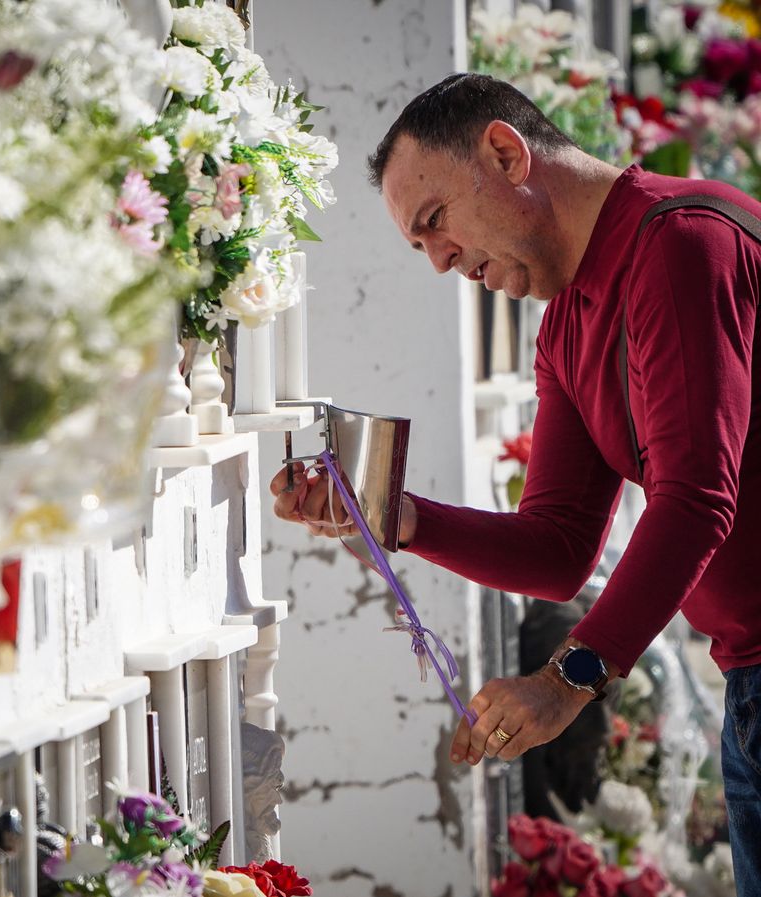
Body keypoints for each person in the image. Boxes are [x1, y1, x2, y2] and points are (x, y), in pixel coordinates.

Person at [268, 73, 760, 889]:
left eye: (436, 224)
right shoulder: (566, 322)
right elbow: (559, 546)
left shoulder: (682, 238)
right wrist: (392, 515)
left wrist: (567, 679)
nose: (441, 262)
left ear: (505, 153)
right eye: (420, 247)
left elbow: (698, 496)